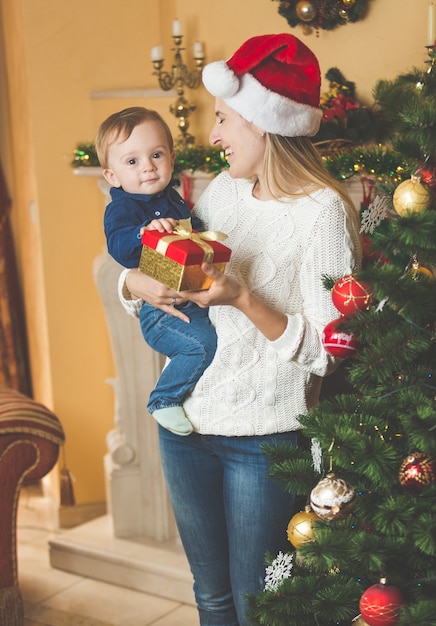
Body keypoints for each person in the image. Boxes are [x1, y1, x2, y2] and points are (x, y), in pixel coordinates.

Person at [118, 34, 362, 626]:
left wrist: (245, 298)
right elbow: (168, 281)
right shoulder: (221, 193)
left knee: (260, 610)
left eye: (224, 118)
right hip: (187, 428)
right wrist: (134, 284)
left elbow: (332, 350)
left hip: (264, 440)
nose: (214, 135)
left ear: (264, 123)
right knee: (211, 597)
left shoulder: (323, 212)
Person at [96, 106, 218, 436]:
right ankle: (164, 398)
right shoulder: (123, 208)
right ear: (112, 176)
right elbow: (119, 247)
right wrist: (146, 231)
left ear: (172, 158)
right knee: (202, 344)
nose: (148, 166)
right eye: (132, 161)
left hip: (188, 297)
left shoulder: (173, 198)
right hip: (160, 312)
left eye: (156, 154)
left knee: (223, 335)